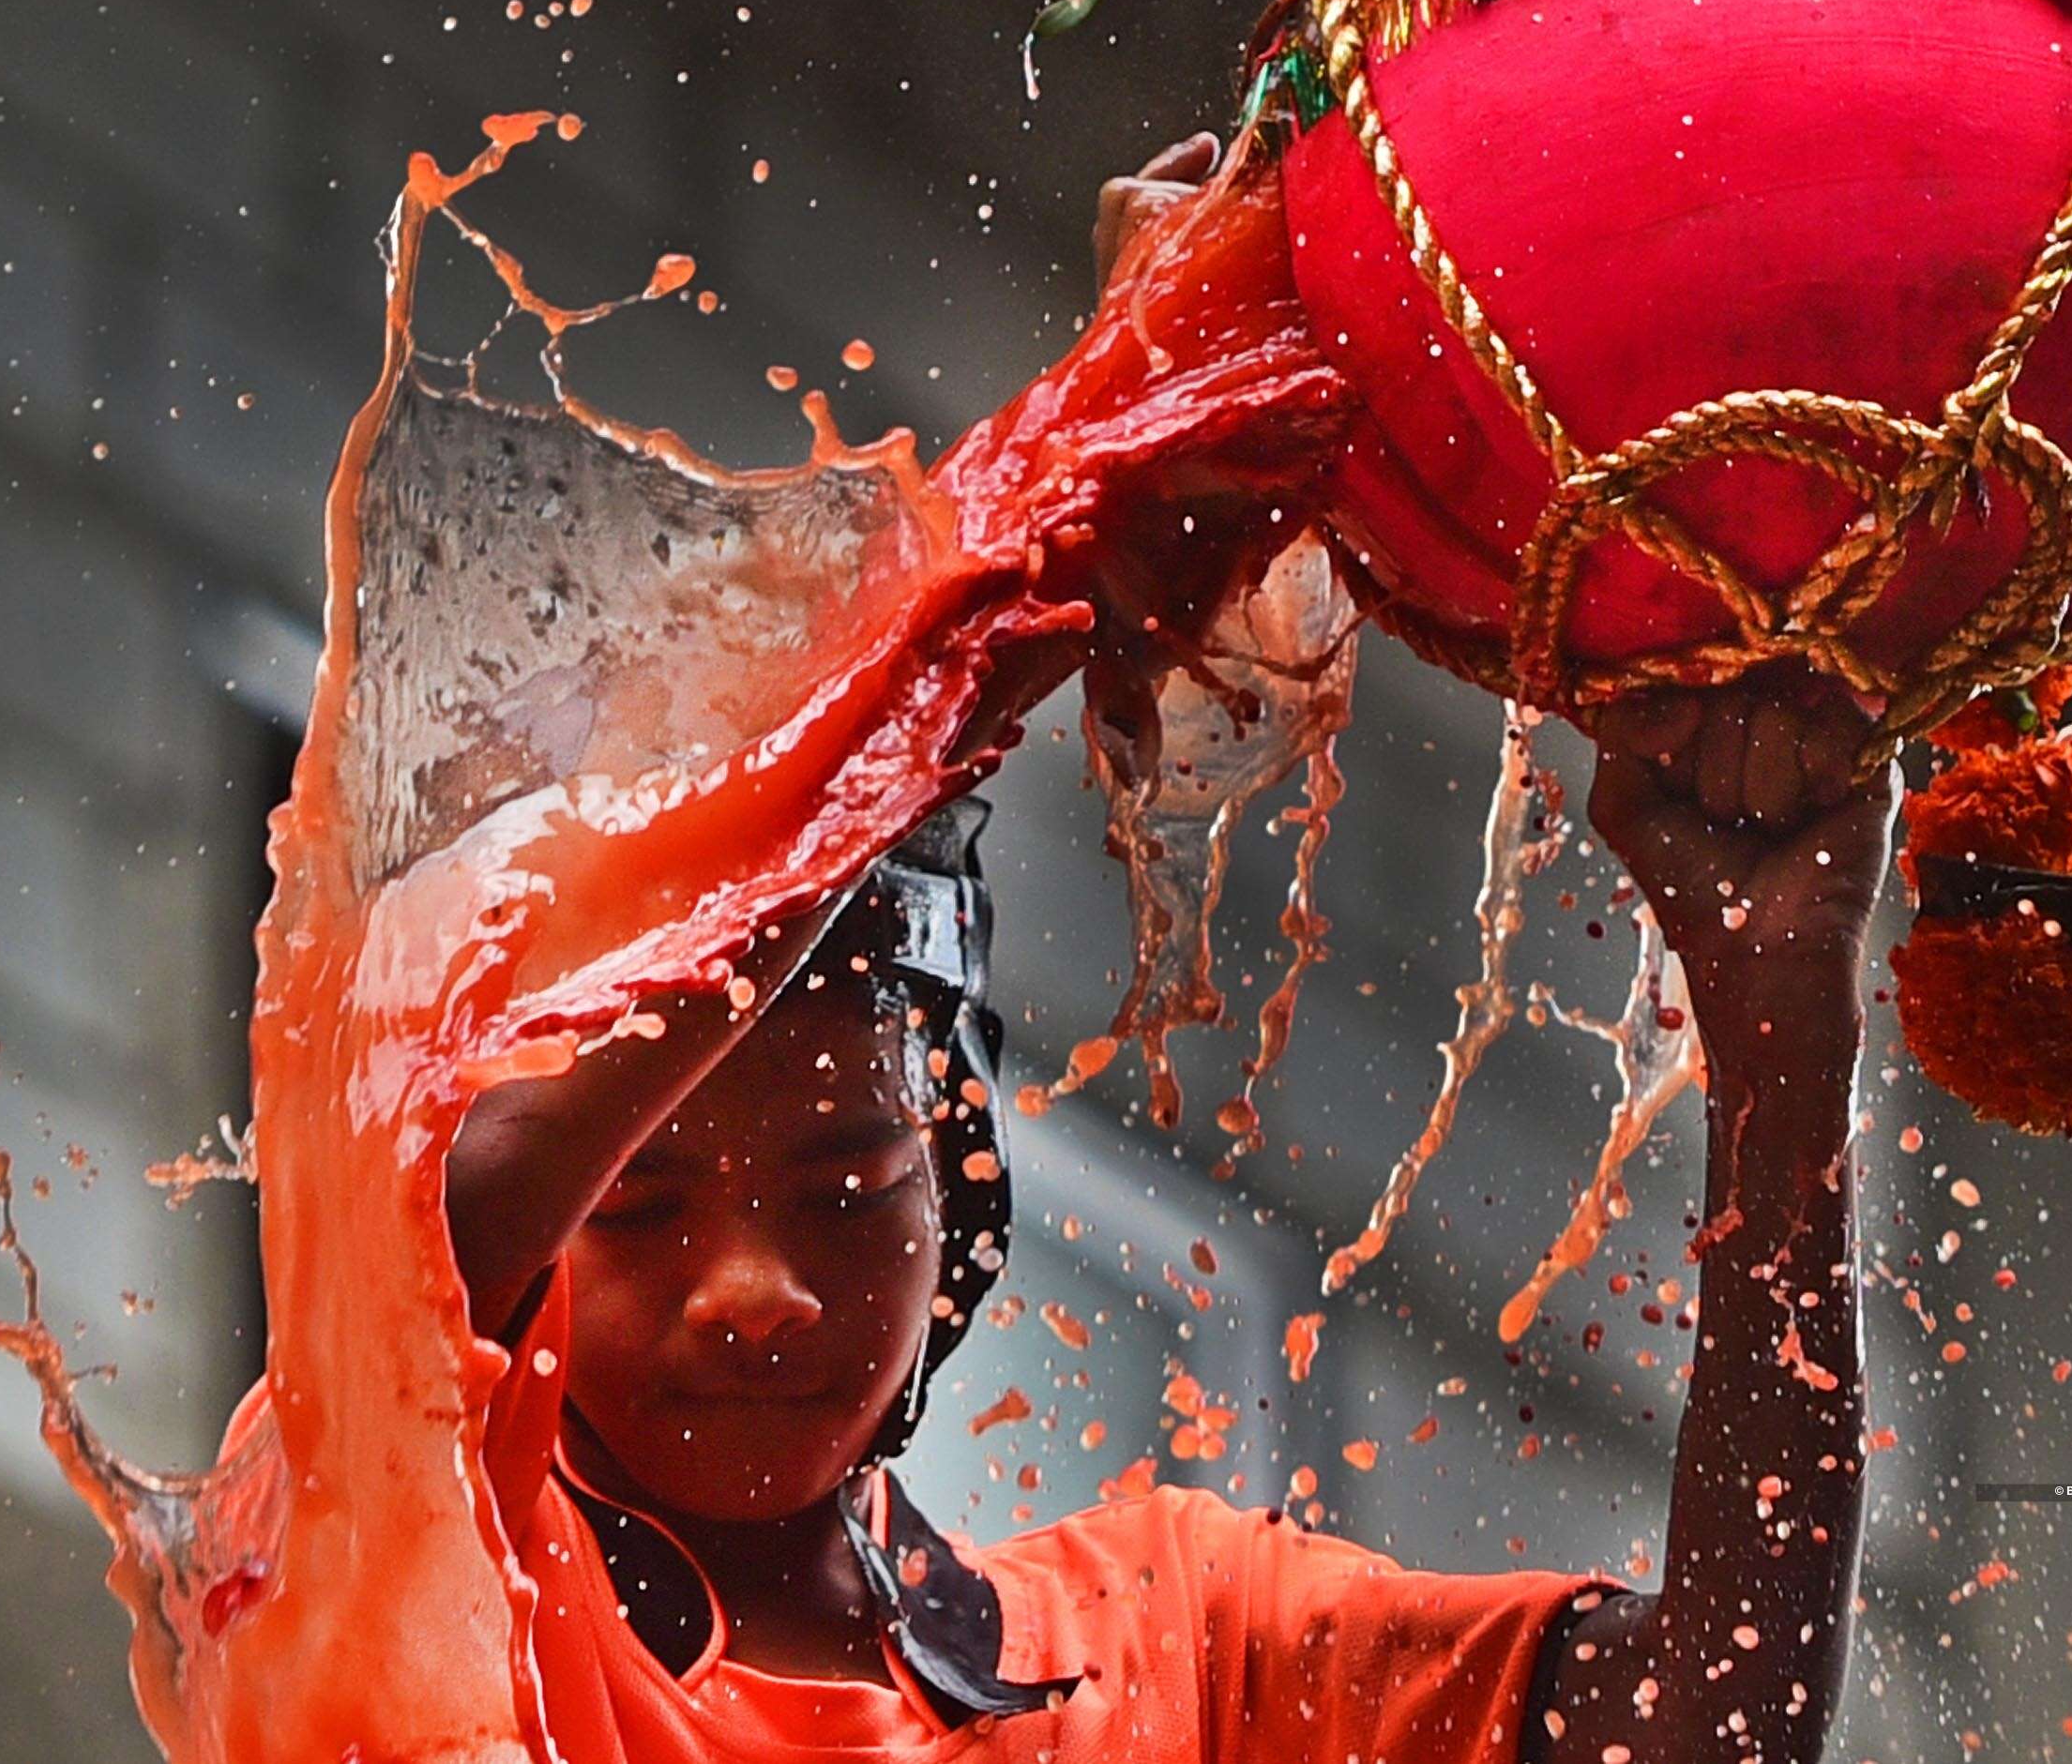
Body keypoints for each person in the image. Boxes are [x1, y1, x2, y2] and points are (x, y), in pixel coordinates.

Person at [443, 143, 1895, 1764]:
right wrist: (1073, 500)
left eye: (851, 1181)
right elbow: (430, 1246)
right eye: (637, 1203)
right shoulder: (427, 1558)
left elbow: (1718, 1723)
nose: (755, 1291)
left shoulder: (1168, 1649)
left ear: (964, 1168)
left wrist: (1780, 1042)